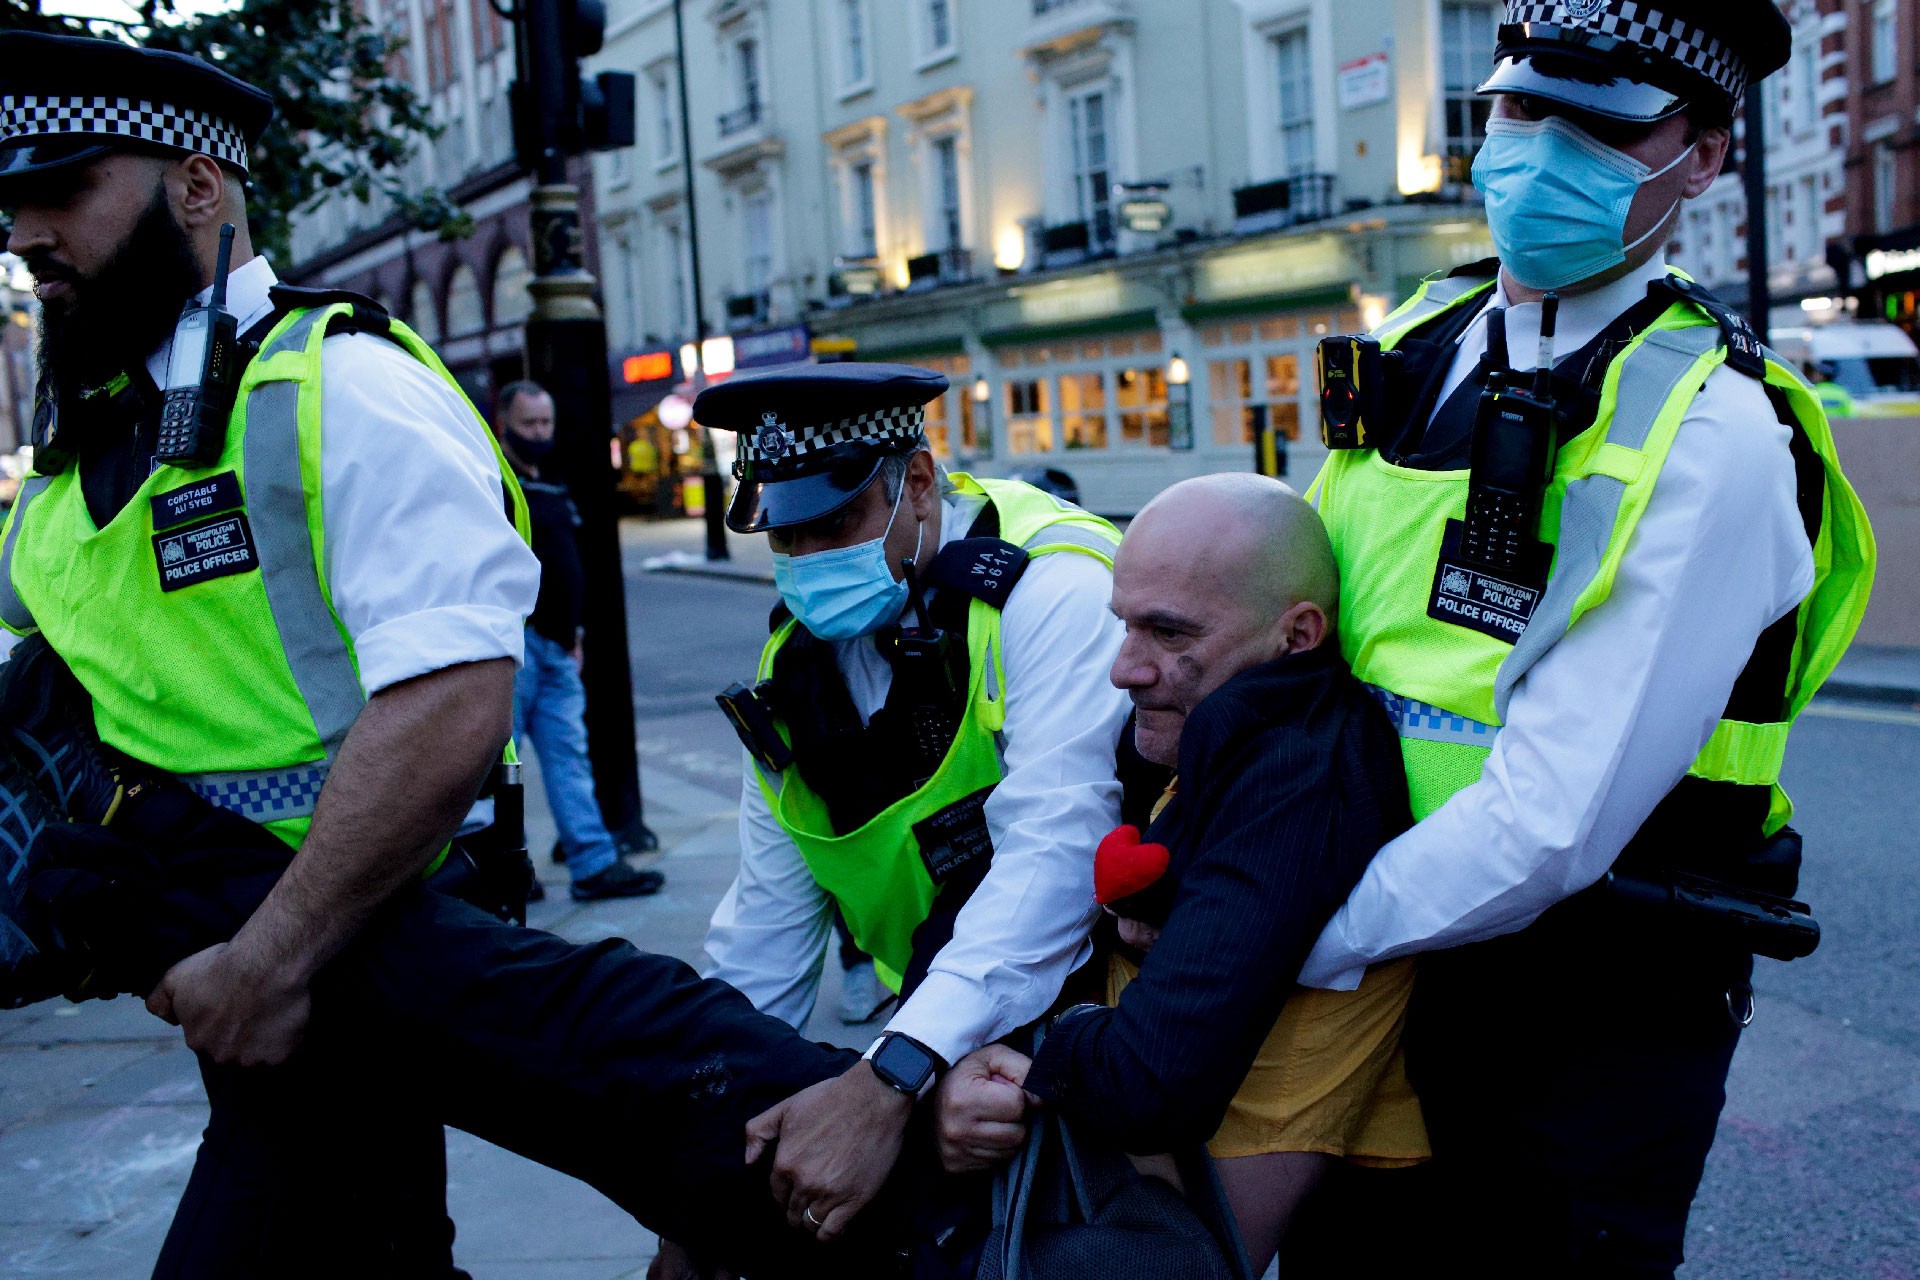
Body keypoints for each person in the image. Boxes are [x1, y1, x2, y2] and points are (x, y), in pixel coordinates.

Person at [1293, 3, 1876, 1274]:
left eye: (1599, 129)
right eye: (1517, 109)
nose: (1538, 151)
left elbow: (1551, 820)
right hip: (1383, 947)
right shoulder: (1408, 344)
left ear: (1704, 155)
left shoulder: (1714, 432)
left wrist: (1296, 931)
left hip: (1592, 992)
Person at [0, 31, 542, 1276]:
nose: (26, 233)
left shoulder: (340, 383)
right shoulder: (92, 435)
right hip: (227, 944)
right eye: (12, 206)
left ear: (199, 185)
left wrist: (271, 957)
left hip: (350, 934)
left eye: (64, 188)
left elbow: (457, 701)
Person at [932, 474, 1425, 1274]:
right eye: (1125, 626)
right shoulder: (1219, 729)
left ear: (1297, 634)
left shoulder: (1294, 775)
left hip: (1172, 1225)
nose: (1125, 669)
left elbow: (1147, 1081)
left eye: (1168, 633)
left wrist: (1041, 1051)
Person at [690, 363, 1134, 1250]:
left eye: (835, 524)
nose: (809, 562)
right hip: (944, 1037)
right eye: (785, 536)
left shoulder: (1049, 588)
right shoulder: (797, 672)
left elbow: (1056, 858)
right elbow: (766, 935)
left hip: (1100, 1023)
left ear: (919, 481)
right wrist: (701, 1190)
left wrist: (892, 1071)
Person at [492, 379, 663, 901]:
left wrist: (577, 631)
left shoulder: (550, 477)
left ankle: (591, 864)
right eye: (530, 425)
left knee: (570, 758)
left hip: (560, 649)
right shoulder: (494, 479)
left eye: (546, 423)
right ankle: (507, 868)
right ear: (505, 424)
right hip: (518, 646)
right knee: (504, 767)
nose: (541, 433)